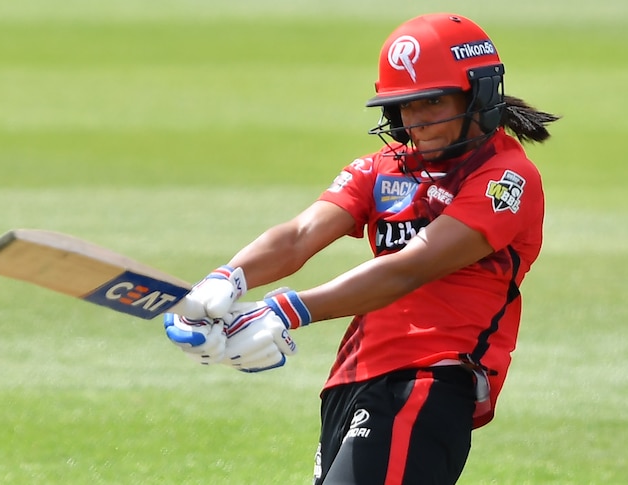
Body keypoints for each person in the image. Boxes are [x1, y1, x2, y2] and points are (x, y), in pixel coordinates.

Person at [164, 12, 559, 484]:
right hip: (351, 380)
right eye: (405, 106)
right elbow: (299, 236)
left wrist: (284, 310)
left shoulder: (506, 178)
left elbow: (409, 268)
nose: (416, 121)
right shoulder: (382, 167)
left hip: (428, 380)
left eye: (432, 101)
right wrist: (228, 279)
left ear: (478, 93)